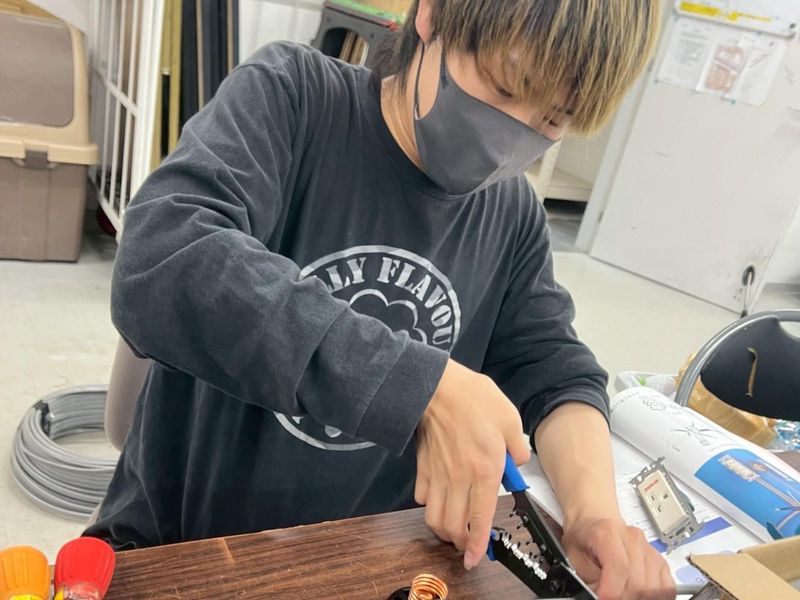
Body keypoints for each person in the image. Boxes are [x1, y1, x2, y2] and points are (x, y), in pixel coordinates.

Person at [87, 1, 673, 597]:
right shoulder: (294, 98)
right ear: (434, 16)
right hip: (186, 550)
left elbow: (553, 369)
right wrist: (419, 388)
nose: (509, 140)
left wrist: (594, 515)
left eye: (552, 118)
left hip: (369, 560)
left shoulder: (512, 214)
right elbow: (162, 257)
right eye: (504, 85)